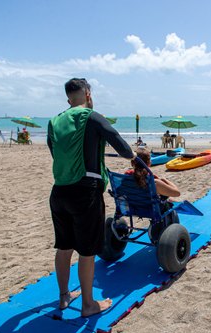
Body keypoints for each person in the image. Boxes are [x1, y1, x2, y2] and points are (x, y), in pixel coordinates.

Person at [47, 78, 135, 316]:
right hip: (85, 192)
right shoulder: (91, 116)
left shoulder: (54, 121)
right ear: (88, 94)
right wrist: (132, 156)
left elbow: (53, 150)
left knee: (64, 246)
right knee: (87, 251)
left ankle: (64, 296)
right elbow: (121, 145)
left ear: (68, 99)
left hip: (59, 191)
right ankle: (88, 305)